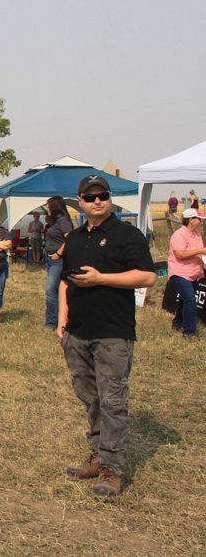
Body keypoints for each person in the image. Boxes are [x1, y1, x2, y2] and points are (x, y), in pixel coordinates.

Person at [58, 174, 156, 496]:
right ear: (80, 202)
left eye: (102, 195)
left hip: (113, 333)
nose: (97, 201)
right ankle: (97, 456)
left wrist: (102, 279)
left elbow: (147, 277)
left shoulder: (127, 235)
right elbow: (64, 282)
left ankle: (112, 470)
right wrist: (62, 321)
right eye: (90, 197)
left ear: (110, 198)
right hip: (77, 334)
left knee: (113, 401)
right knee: (91, 398)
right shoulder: (74, 239)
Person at [167, 208, 206, 339]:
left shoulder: (197, 234)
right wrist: (200, 251)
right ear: (191, 220)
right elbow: (180, 254)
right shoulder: (179, 235)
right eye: (198, 219)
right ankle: (189, 332)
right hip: (179, 273)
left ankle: (177, 323)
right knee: (190, 300)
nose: (200, 221)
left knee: (185, 299)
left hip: (193, 273)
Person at [43, 196, 74, 329]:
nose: (46, 208)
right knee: (54, 290)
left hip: (58, 260)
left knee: (50, 289)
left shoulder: (63, 220)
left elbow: (70, 239)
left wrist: (58, 254)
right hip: (50, 259)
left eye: (48, 205)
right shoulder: (54, 221)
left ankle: (51, 322)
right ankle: (57, 319)